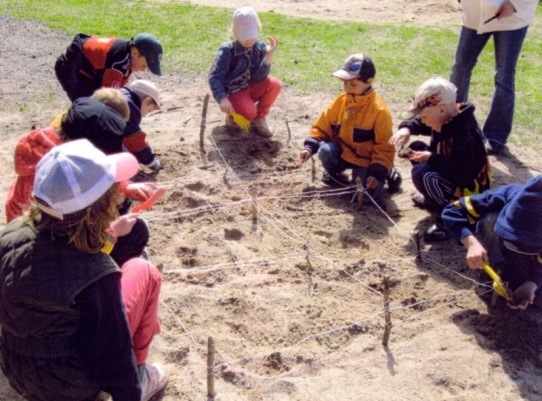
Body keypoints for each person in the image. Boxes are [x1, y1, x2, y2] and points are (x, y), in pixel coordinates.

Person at [0, 139, 168, 401]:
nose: (118, 194)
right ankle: (143, 375)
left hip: (17, 369)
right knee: (143, 270)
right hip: (72, 386)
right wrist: (130, 393)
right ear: (97, 209)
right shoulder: (96, 274)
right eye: (112, 192)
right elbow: (113, 356)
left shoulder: (11, 232)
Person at [6, 97, 155, 267]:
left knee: (130, 222)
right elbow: (69, 247)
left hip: (57, 236)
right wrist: (112, 233)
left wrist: (125, 186)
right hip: (56, 258)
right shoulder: (55, 187)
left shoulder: (55, 151)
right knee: (136, 234)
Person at [390, 77, 490, 241]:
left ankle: (451, 216)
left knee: (424, 174)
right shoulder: (447, 117)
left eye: (424, 116)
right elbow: (421, 122)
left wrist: (431, 159)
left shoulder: (465, 135)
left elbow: (461, 175)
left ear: (441, 109)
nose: (423, 120)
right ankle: (433, 199)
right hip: (450, 170)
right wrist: (406, 128)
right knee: (415, 147)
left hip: (468, 190)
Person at [299, 53, 401, 204]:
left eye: (353, 84)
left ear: (368, 82)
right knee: (325, 150)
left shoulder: (379, 111)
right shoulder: (340, 101)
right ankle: (335, 174)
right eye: (345, 83)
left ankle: (387, 172)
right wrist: (309, 148)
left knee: (364, 196)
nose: (347, 88)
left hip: (368, 161)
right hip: (345, 153)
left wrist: (377, 171)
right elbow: (322, 127)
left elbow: (384, 146)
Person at [449, 0, 538, 155]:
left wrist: (514, 3)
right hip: (474, 16)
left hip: (512, 19)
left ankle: (496, 136)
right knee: (460, 68)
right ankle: (452, 125)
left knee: (504, 75)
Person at [441, 175, 542, 310]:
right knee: (490, 219)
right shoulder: (509, 194)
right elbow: (452, 210)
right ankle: (492, 266)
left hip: (531, 260)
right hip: (498, 244)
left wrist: (532, 283)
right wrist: (471, 244)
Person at [208, 6, 282, 138]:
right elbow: (215, 77)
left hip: (249, 87)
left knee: (275, 84)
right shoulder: (227, 50)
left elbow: (259, 77)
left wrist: (268, 56)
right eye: (244, 36)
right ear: (235, 32)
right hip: (234, 91)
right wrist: (222, 98)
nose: (248, 40)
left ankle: (258, 120)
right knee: (248, 112)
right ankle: (233, 118)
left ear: (258, 29)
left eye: (251, 35)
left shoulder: (259, 47)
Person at [55, 32, 163, 101]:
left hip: (87, 69)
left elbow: (120, 88)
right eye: (144, 65)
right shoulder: (118, 61)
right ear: (135, 53)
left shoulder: (127, 54)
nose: (144, 70)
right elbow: (109, 98)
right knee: (88, 106)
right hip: (70, 68)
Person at [120, 80, 164, 172]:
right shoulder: (129, 107)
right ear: (146, 101)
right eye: (149, 110)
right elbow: (136, 143)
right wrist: (153, 163)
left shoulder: (120, 94)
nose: (144, 115)